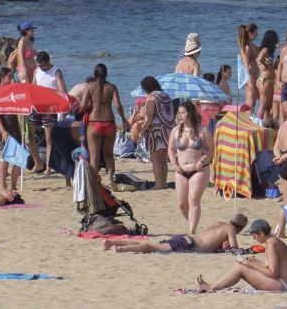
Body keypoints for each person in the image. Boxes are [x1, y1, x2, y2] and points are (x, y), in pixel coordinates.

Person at [199, 219, 287, 292]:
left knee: (240, 268)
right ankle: (213, 285)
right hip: (279, 282)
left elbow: (272, 273)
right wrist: (255, 262)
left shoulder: (272, 244)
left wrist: (254, 265)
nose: (254, 238)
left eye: (254, 235)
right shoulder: (272, 241)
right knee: (240, 264)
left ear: (261, 233)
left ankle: (212, 287)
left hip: (281, 285)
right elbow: (271, 266)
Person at [74, 63, 124, 179]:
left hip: (94, 123)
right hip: (109, 123)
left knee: (94, 156)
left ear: (94, 74)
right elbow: (118, 106)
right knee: (109, 155)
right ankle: (111, 179)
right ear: (106, 74)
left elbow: (83, 105)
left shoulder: (90, 86)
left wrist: (85, 109)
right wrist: (124, 120)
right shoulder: (112, 87)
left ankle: (95, 181)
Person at [105, 214, 245, 254]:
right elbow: (234, 249)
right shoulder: (231, 229)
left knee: (150, 245)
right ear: (240, 228)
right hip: (188, 244)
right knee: (150, 247)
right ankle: (121, 248)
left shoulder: (220, 223)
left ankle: (112, 242)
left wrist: (221, 247)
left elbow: (211, 240)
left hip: (186, 239)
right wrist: (228, 248)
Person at [170, 101, 210, 231]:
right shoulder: (176, 131)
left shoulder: (202, 130)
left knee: (193, 200)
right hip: (180, 171)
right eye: (179, 113)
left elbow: (211, 149)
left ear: (190, 114)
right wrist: (174, 164)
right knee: (182, 204)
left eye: (183, 113)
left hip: (198, 170)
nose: (180, 116)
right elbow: (170, 149)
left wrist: (202, 161)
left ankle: (192, 231)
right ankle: (193, 223)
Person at [130, 76, 175, 190]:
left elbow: (149, 116)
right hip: (168, 130)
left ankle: (159, 184)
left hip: (156, 131)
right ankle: (163, 183)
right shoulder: (166, 95)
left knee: (155, 159)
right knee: (163, 159)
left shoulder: (151, 97)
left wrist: (142, 131)